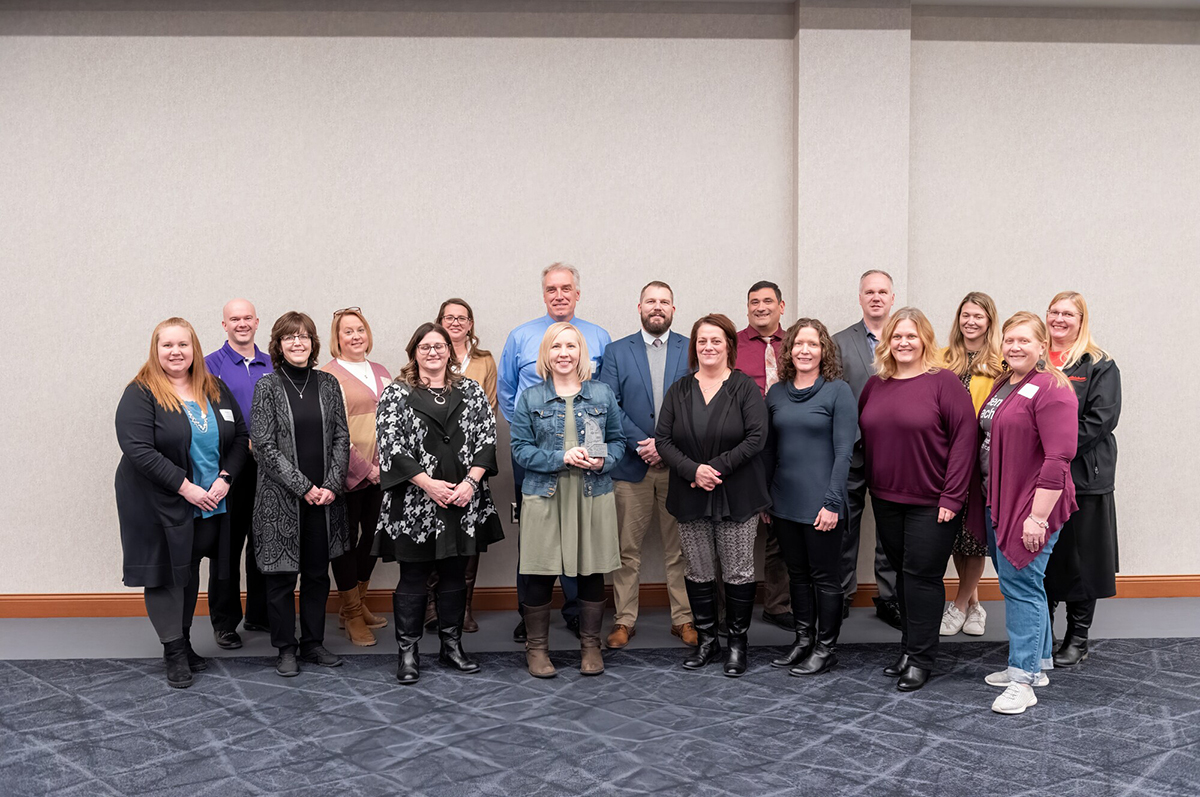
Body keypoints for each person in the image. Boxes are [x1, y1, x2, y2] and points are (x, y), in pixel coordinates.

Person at [115, 318, 249, 688]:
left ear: (195, 349)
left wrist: (225, 478)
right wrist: (185, 487)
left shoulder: (214, 387)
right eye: (167, 345)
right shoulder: (141, 392)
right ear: (155, 350)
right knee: (165, 573)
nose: (176, 352)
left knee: (187, 570)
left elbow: (239, 437)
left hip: (211, 498)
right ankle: (173, 651)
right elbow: (138, 450)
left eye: (183, 345)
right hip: (157, 499)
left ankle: (185, 642)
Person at [375, 323, 505, 684]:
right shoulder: (396, 393)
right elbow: (392, 446)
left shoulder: (472, 391)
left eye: (439, 346)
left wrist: (470, 482)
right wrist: (428, 484)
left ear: (450, 350)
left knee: (454, 574)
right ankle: (408, 652)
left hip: (464, 500)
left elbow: (487, 440)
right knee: (413, 576)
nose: (433, 352)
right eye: (425, 346)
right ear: (414, 351)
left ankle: (452, 646)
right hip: (414, 503)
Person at [857, 307, 976, 692]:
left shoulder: (944, 383)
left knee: (923, 577)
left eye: (911, 336)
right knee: (903, 578)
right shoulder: (876, 385)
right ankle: (909, 649)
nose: (904, 343)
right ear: (886, 342)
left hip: (933, 501)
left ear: (925, 339)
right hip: (887, 498)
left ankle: (923, 659)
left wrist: (953, 496)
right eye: (896, 336)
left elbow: (964, 442)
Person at [499, 263, 612, 642]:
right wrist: (530, 441)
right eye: (551, 289)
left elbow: (603, 400)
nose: (559, 294)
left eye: (566, 288)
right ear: (543, 294)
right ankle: (530, 612)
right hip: (537, 453)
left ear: (577, 293)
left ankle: (577, 611)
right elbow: (507, 392)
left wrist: (596, 453)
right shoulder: (520, 337)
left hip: (588, 461)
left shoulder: (598, 336)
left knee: (582, 533)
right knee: (535, 534)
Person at [657, 314, 770, 677]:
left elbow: (756, 437)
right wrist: (694, 470)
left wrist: (714, 468)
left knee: (738, 571)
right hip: (690, 493)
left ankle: (737, 645)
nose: (708, 347)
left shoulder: (744, 388)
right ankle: (708, 641)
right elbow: (663, 440)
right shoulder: (679, 390)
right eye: (702, 341)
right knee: (699, 570)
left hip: (737, 494)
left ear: (729, 347)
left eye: (716, 341)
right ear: (695, 347)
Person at [511, 322, 625, 678]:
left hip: (591, 494)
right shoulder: (530, 398)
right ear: (547, 353)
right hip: (545, 495)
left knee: (591, 570)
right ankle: (538, 650)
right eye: (557, 346)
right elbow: (519, 450)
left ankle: (590, 646)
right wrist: (560, 458)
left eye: (571, 346)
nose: (564, 353)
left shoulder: (602, 394)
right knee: (539, 572)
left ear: (582, 353)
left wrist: (602, 459)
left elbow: (618, 441)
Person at [978, 312, 1078, 714]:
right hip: (1000, 497)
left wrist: (1037, 518)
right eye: (1009, 340)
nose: (1015, 347)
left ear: (1041, 346)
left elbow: (1058, 458)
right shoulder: (1008, 382)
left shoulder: (1053, 388)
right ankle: (1036, 663)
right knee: (1019, 583)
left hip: (1031, 503)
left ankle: (1023, 681)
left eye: (1024, 341)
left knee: (1022, 585)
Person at [250, 312, 351, 678]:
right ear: (277, 345)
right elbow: (262, 445)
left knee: (317, 575)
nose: (298, 343)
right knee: (280, 578)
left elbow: (342, 436)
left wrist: (331, 485)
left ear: (313, 343)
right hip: (281, 501)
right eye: (290, 337)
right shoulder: (267, 386)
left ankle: (312, 642)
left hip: (324, 501)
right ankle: (286, 647)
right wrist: (304, 486)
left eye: (305, 336)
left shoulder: (327, 383)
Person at [598, 281, 696, 649]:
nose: (658, 307)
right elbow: (609, 404)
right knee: (627, 550)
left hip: (677, 466)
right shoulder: (616, 351)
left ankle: (683, 619)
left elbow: (695, 404)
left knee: (680, 548)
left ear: (674, 307)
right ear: (639, 306)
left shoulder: (691, 348)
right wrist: (645, 444)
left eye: (665, 301)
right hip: (631, 465)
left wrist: (665, 447)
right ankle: (624, 620)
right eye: (651, 301)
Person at [764, 319, 857, 676]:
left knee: (825, 578)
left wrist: (833, 502)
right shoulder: (776, 393)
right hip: (784, 502)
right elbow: (770, 453)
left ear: (824, 351)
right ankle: (803, 641)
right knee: (796, 576)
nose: (805, 350)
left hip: (823, 504)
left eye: (813, 344)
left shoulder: (838, 392)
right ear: (789, 351)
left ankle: (825, 647)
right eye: (798, 344)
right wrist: (766, 499)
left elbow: (844, 453)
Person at [1044, 291, 1121, 667]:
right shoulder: (1036, 359)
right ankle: (1043, 634)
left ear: (1081, 320)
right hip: (1039, 476)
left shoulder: (1098, 364)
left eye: (1068, 314)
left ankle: (1078, 636)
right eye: (1054, 312)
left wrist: (1054, 449)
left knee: (1080, 559)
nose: (1059, 319)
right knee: (1044, 556)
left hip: (1083, 477)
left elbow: (1100, 420)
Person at [424, 297, 499, 634]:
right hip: (433, 467)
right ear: (439, 322)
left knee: (468, 538)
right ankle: (431, 606)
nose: (455, 322)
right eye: (448, 317)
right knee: (432, 533)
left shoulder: (484, 361)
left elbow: (492, 410)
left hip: (473, 467)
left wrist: (475, 466)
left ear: (471, 324)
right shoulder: (429, 352)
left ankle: (464, 607)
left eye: (462, 318)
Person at [320, 307, 392, 647]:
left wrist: (386, 467)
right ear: (337, 338)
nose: (355, 336)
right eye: (347, 331)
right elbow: (333, 432)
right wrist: (366, 468)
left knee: (375, 538)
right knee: (345, 542)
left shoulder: (381, 371)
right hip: (349, 474)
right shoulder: (328, 376)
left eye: (360, 329)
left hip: (384, 475)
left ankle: (358, 603)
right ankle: (349, 613)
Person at [833, 270, 901, 628]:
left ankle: (889, 598)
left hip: (896, 454)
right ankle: (842, 594)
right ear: (860, 297)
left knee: (891, 530)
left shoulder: (908, 338)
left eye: (883, 292)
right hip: (853, 451)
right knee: (846, 528)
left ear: (892, 297)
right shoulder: (839, 342)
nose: (876, 297)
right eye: (869, 292)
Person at [203, 298, 271, 649]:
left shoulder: (273, 364)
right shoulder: (208, 366)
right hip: (230, 469)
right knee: (227, 548)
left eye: (247, 318)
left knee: (265, 544)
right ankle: (225, 622)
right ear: (224, 325)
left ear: (257, 322)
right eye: (234, 318)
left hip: (271, 470)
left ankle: (260, 613)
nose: (241, 323)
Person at [939, 292, 1006, 639]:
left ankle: (961, 604)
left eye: (978, 316)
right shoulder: (942, 358)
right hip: (947, 459)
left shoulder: (1000, 364)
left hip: (982, 460)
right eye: (965, 315)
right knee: (956, 535)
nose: (971, 322)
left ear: (989, 321)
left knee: (975, 536)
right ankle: (975, 603)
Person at [733, 281, 793, 630]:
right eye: (754, 301)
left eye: (768, 301)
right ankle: (731, 607)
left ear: (781, 307)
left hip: (786, 446)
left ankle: (777, 604)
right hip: (743, 448)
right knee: (739, 525)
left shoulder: (796, 344)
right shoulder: (732, 345)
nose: (760, 307)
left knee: (780, 527)